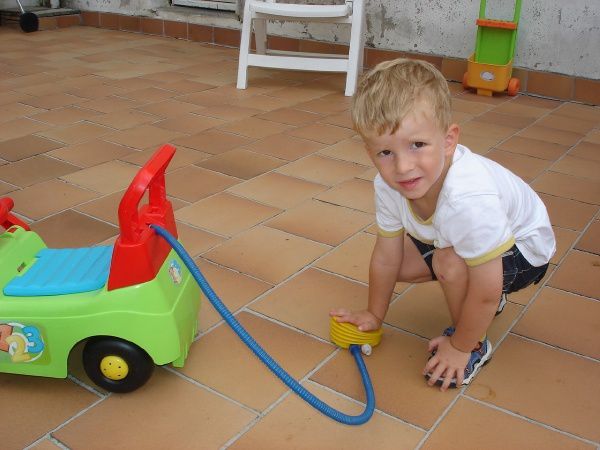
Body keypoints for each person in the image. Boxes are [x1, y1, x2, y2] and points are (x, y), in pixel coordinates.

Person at [330, 58, 555, 391]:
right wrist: (374, 315)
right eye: (385, 153)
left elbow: (487, 289)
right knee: (401, 263)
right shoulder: (388, 186)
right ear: (369, 153)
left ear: (449, 140)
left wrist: (459, 345)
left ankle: (474, 346)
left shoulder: (467, 198)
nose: (403, 167)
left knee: (449, 262)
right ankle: (473, 297)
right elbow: (386, 257)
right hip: (456, 236)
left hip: (525, 252)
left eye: (417, 145)